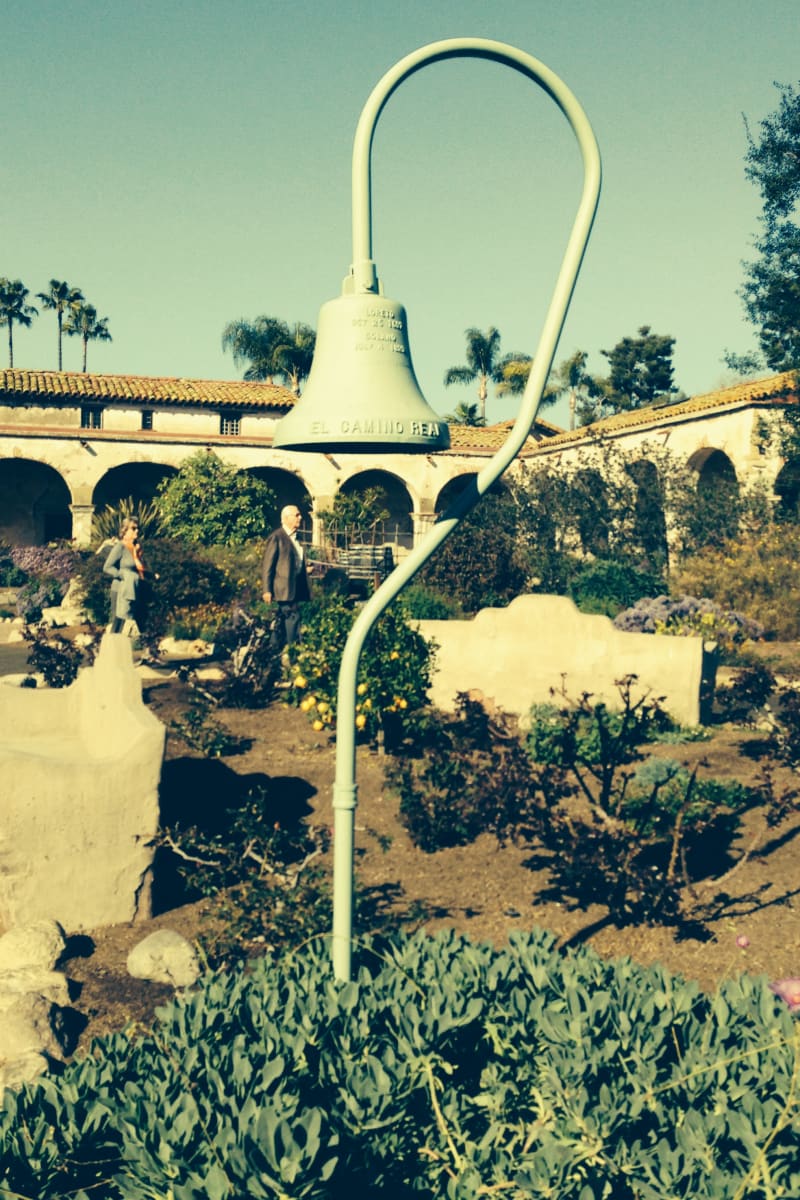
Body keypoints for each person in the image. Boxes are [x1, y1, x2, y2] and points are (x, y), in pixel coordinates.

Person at [261, 505, 310, 648]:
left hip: (296, 587)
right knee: (293, 618)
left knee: (281, 620)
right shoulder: (277, 537)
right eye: (297, 515)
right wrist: (267, 590)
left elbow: (293, 561)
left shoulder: (298, 538)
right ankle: (293, 650)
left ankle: (273, 650)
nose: (300, 517)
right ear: (286, 518)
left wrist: (304, 569)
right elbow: (268, 565)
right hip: (283, 589)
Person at [103, 517, 147, 634]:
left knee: (135, 621)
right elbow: (107, 567)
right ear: (124, 531)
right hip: (120, 590)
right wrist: (122, 575)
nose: (136, 531)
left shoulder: (136, 548)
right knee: (118, 623)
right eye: (133, 528)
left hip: (134, 588)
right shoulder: (120, 547)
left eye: (137, 528)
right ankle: (111, 649)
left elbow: (140, 567)